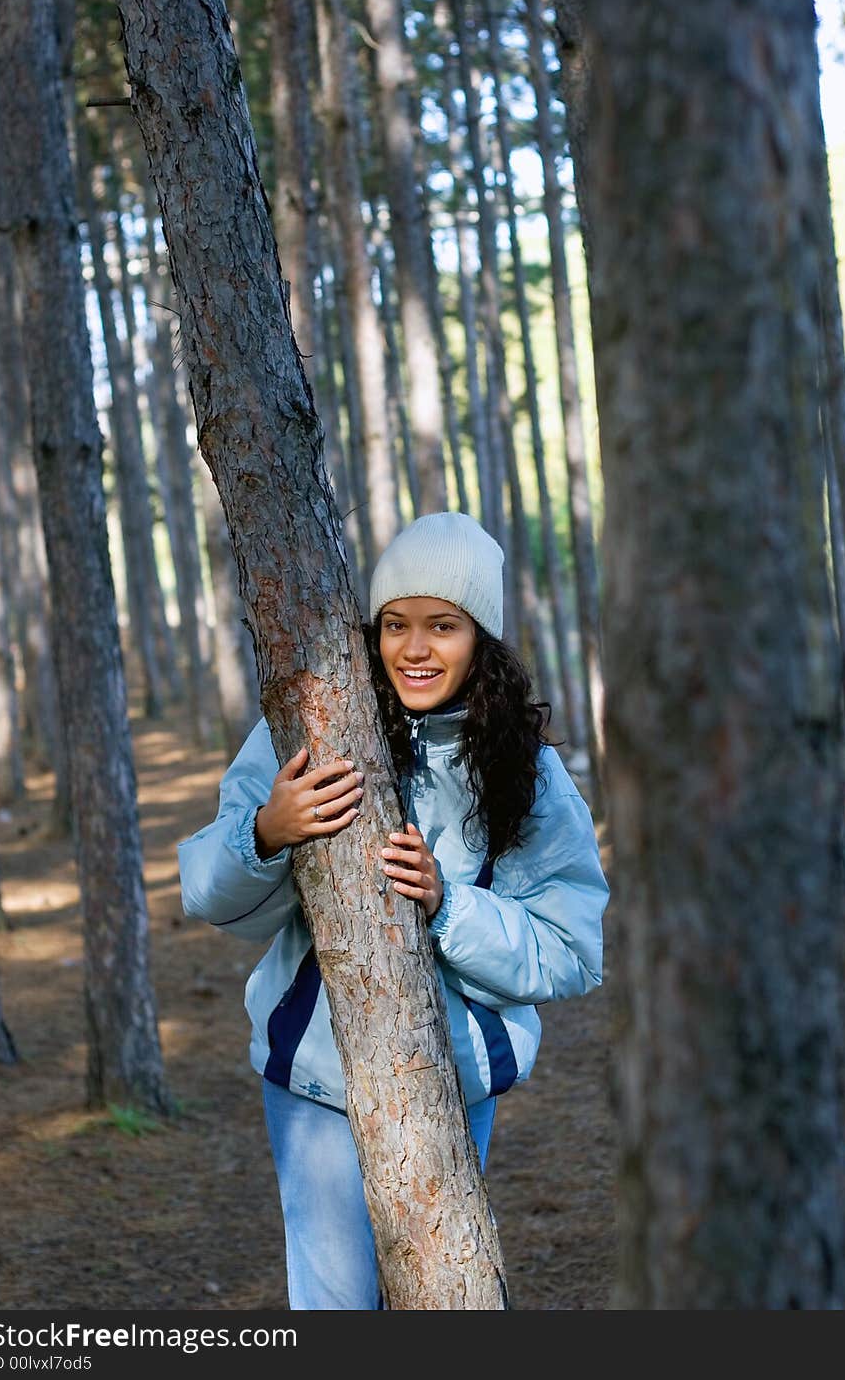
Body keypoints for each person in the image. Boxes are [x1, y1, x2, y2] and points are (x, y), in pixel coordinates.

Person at [177, 511, 609, 1310]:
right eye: (396, 625)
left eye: (443, 626)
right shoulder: (310, 733)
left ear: (482, 636)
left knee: (441, 1298)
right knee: (336, 1309)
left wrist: (451, 907)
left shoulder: (532, 776)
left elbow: (572, 951)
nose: (415, 649)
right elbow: (203, 891)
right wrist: (266, 832)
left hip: (453, 1083)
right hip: (314, 1083)